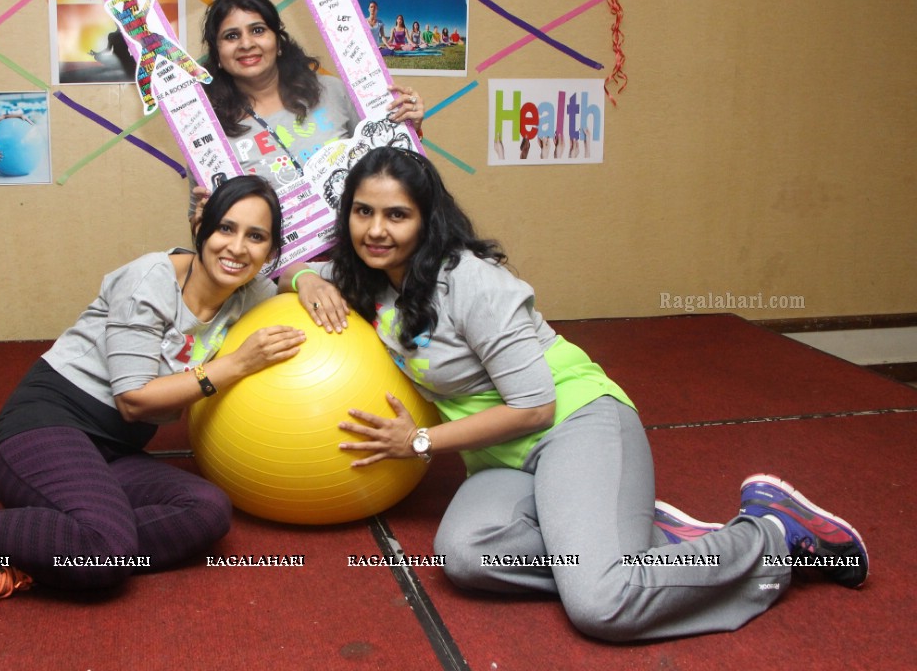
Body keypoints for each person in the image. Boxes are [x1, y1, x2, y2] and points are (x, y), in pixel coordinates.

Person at [291, 146, 869, 642]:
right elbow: (282, 273)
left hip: (573, 423)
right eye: (363, 212)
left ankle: (772, 537)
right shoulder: (372, 281)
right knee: (465, 557)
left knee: (601, 603)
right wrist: (307, 277)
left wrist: (418, 442)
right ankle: (638, 542)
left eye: (397, 215)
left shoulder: (475, 283)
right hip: (502, 459)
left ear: (427, 221)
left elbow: (534, 407)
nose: (375, 230)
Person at [0, 176, 307, 622]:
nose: (237, 248)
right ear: (201, 226)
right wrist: (236, 364)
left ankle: (18, 562)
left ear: (270, 250)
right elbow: (134, 399)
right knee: (105, 549)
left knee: (206, 509)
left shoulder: (248, 291)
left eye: (256, 237)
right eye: (226, 228)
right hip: (45, 427)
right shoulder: (150, 280)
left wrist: (309, 279)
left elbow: (296, 279)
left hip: (113, 451)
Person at [191, 0, 424, 218]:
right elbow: (200, 219)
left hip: (361, 249)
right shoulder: (206, 129)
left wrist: (408, 126)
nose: (246, 43)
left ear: (278, 42)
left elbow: (392, 166)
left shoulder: (332, 91)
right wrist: (204, 219)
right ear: (217, 54)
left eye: (258, 30)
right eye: (231, 36)